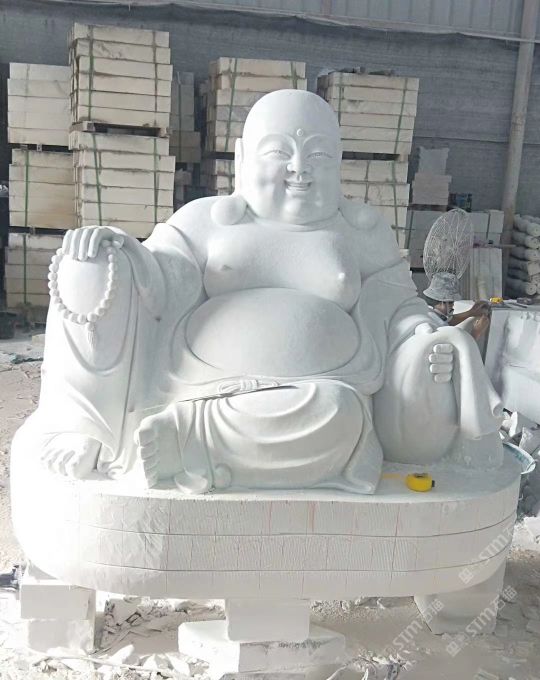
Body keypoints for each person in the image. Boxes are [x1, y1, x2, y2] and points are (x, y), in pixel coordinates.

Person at [19, 90, 504, 494]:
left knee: (340, 420)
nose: (299, 169)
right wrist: (114, 248)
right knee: (88, 266)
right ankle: (88, 427)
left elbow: (399, 304)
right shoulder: (206, 219)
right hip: (196, 383)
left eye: (318, 156)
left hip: (324, 391)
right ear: (242, 158)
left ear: (338, 163)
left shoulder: (360, 230)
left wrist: (420, 331)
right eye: (279, 152)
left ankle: (190, 438)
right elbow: (155, 275)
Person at [423, 272, 491, 341]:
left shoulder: (429, 313)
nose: (453, 305)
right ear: (442, 302)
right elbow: (455, 347)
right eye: (451, 302)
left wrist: (471, 312)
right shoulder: (437, 326)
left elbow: (449, 321)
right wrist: (476, 332)